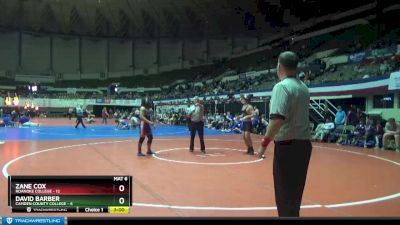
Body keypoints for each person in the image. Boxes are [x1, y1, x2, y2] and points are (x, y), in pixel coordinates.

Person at [257, 51, 312, 217]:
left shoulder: (281, 87)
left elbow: (276, 120)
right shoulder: (303, 87)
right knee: (295, 194)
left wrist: (263, 145)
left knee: (284, 194)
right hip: (304, 145)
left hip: (287, 146)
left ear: (279, 66)